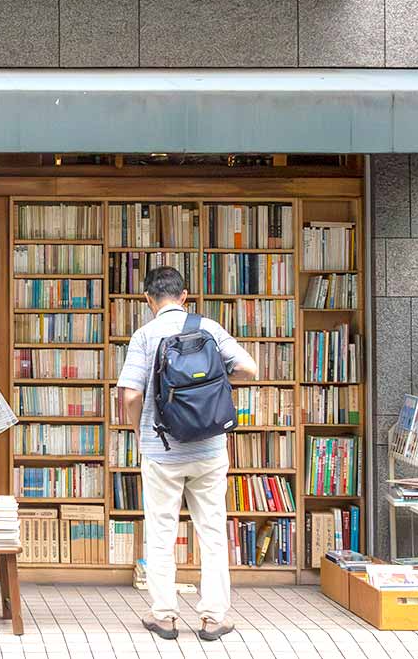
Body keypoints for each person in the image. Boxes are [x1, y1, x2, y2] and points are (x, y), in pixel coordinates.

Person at [115, 266, 257, 641]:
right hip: (209, 449)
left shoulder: (145, 336)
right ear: (185, 296)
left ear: (148, 299)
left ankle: (164, 616)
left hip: (162, 451)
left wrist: (139, 430)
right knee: (212, 533)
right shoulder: (209, 328)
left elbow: (130, 394)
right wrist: (214, 384)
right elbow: (249, 368)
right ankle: (214, 618)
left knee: (161, 533)